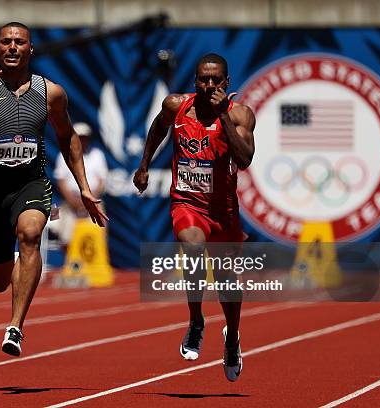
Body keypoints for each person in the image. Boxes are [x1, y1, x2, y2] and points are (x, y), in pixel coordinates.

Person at [0, 22, 108, 357]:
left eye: (20, 42)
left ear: (31, 49)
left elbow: (67, 137)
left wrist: (85, 188)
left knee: (31, 233)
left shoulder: (51, 93)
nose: (13, 47)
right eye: (6, 42)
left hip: (31, 183)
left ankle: (15, 327)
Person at [133, 53, 255, 382]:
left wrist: (222, 118)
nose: (209, 85)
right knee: (193, 247)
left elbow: (245, 159)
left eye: (216, 80)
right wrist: (144, 165)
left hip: (224, 212)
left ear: (227, 83)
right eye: (204, 79)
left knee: (229, 284)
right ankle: (196, 320)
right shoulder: (176, 106)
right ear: (195, 80)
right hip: (187, 203)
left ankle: (232, 340)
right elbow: (158, 129)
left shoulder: (240, 114)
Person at [52, 122, 108, 246]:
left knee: (98, 235)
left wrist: (90, 200)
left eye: (85, 137)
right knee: (65, 237)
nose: (83, 140)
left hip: (94, 203)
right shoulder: (63, 155)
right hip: (70, 204)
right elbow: (60, 181)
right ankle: (69, 263)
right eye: (80, 137)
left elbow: (102, 180)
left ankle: (93, 264)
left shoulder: (97, 155)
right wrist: (73, 201)